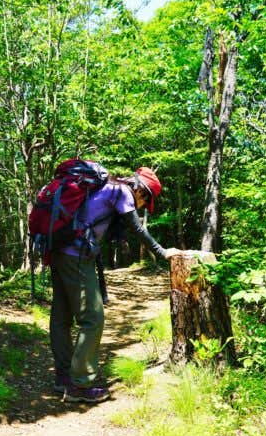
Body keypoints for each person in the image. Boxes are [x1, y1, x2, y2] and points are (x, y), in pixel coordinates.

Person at [50, 166, 180, 403]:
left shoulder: (107, 187)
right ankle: (80, 383)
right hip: (76, 256)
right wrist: (163, 252)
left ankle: (63, 379)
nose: (142, 206)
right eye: (146, 201)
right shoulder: (122, 192)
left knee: (61, 316)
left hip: (58, 249)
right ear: (142, 191)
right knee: (93, 317)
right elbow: (137, 228)